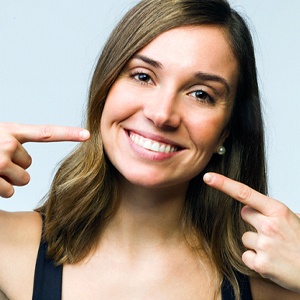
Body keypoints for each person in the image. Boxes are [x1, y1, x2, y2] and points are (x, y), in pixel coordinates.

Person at [0, 0, 299, 299]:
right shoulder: (8, 251)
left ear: (225, 132)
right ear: (105, 87)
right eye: (143, 76)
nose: (162, 114)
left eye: (201, 94)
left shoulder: (271, 281)